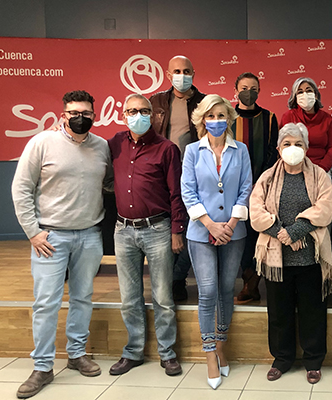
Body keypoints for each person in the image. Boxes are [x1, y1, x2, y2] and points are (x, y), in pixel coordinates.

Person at [11, 90, 112, 399]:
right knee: (46, 303)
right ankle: (42, 366)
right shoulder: (41, 143)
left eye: (86, 113)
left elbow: (109, 185)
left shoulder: (102, 146)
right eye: (74, 113)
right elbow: (21, 188)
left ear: (94, 115)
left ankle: (77, 354)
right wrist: (33, 232)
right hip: (50, 238)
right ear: (63, 116)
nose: (80, 118)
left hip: (89, 235)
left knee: (82, 297)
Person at [249, 123, 332, 384]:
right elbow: (256, 211)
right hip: (276, 258)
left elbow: (325, 207)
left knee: (313, 311)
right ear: (278, 149)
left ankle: (313, 361)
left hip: (311, 256)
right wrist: (281, 233)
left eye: (298, 144)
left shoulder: (319, 176)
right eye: (287, 144)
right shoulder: (267, 177)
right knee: (279, 313)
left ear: (307, 148)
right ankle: (282, 359)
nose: (292, 148)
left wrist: (296, 231)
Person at [107, 94, 186, 377]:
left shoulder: (167, 148)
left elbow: (176, 193)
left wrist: (177, 230)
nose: (137, 115)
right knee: (129, 298)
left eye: (143, 111)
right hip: (123, 230)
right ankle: (133, 351)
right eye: (131, 111)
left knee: (163, 296)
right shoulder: (114, 144)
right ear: (123, 114)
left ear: (152, 115)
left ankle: (168, 353)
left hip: (157, 229)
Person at [181, 94, 253, 389]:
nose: (216, 121)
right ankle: (209, 352)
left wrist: (231, 224)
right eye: (210, 116)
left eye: (221, 115)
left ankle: (221, 344)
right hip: (201, 232)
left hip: (234, 231)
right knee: (208, 290)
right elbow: (188, 191)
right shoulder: (192, 151)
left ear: (229, 119)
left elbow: (246, 188)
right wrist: (210, 224)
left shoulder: (241, 150)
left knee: (226, 288)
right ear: (202, 119)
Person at [150, 55, 206, 302]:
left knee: (192, 227)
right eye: (176, 71)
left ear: (193, 73)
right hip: (163, 174)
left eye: (186, 71)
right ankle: (168, 279)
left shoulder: (204, 102)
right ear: (167, 74)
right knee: (168, 228)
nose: (181, 76)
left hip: (196, 174)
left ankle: (177, 277)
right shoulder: (156, 102)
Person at [232, 72, 279, 304]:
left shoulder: (269, 118)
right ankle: (246, 278)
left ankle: (253, 283)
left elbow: (273, 151)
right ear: (236, 91)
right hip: (232, 187)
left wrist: (259, 182)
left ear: (259, 91)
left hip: (262, 186)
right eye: (243, 88)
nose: (248, 92)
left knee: (257, 233)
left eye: (253, 88)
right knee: (239, 235)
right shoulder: (228, 118)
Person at [281, 77, 332, 172]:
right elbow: (283, 146)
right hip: (295, 168)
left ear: (316, 95)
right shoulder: (288, 117)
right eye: (300, 92)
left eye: (308, 91)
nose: (305, 95)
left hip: (322, 169)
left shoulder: (327, 119)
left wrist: (321, 169)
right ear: (295, 97)